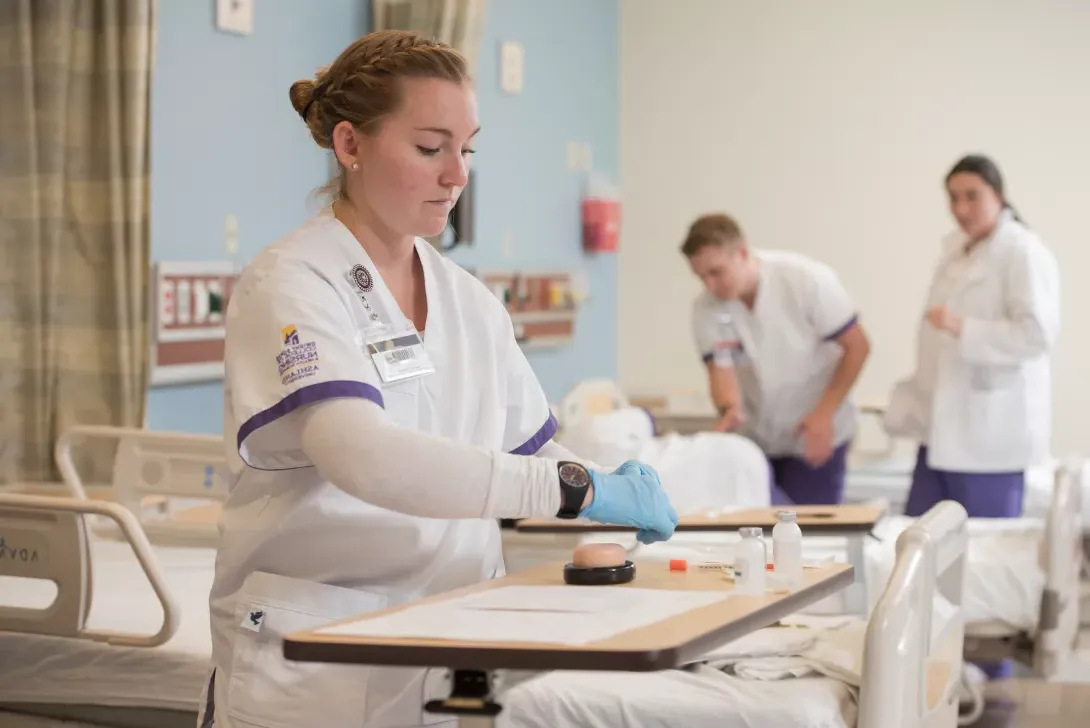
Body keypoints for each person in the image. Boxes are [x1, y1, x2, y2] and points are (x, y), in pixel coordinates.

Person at [195, 30, 678, 728]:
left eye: (468, 148)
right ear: (350, 145)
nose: (457, 174)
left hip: (448, 637)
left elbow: (529, 453)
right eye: (430, 148)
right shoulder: (294, 281)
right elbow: (363, 456)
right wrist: (577, 491)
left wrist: (607, 486)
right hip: (317, 652)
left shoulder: (469, 302)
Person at [884, 154, 1060, 520]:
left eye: (972, 196)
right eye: (953, 197)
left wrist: (963, 327)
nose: (961, 208)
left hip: (990, 438)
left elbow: (1036, 334)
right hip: (941, 431)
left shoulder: (1020, 251)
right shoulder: (956, 251)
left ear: (998, 194)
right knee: (918, 543)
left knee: (980, 553)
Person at [683, 213, 871, 505]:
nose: (709, 286)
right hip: (756, 438)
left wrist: (824, 415)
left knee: (809, 537)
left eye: (716, 272)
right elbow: (720, 369)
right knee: (760, 533)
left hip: (813, 432)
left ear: (742, 253)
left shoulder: (804, 279)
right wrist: (729, 409)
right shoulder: (706, 308)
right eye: (701, 277)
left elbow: (858, 346)